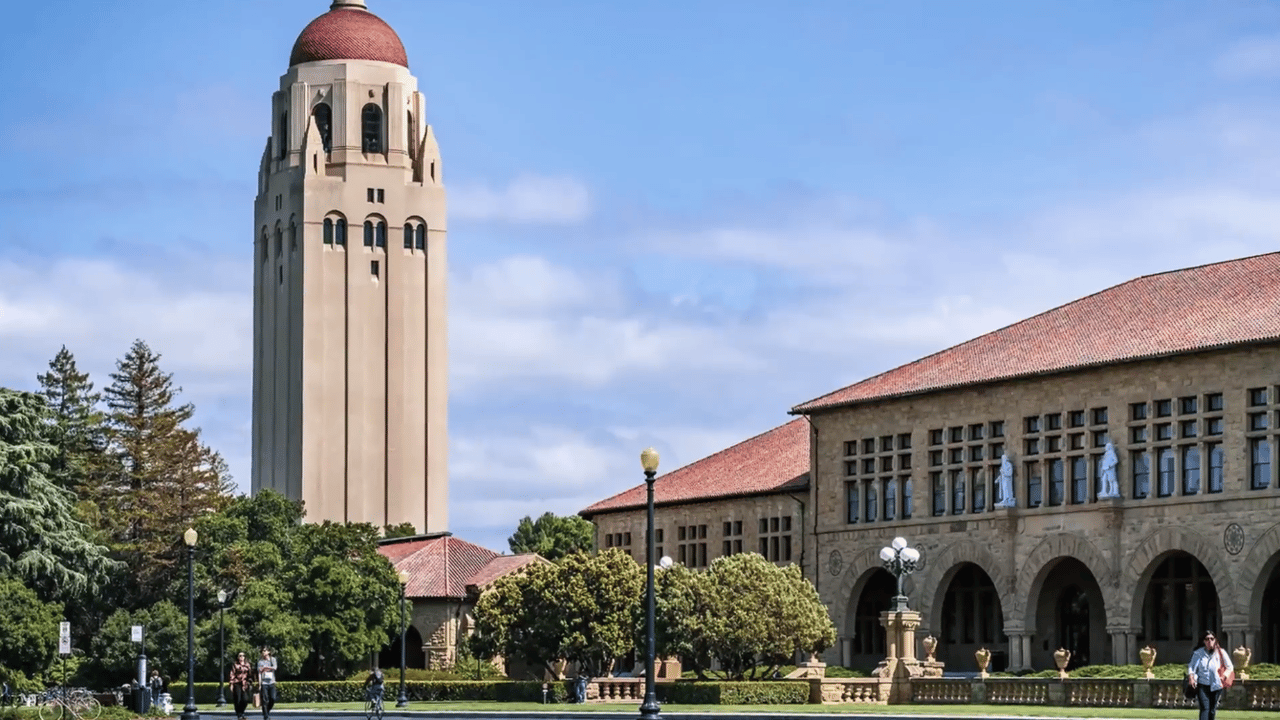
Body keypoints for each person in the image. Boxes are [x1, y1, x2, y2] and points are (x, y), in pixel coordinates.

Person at [1188, 630, 1234, 720]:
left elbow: (1230, 666)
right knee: (1205, 708)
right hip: (1202, 684)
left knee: (1212, 710)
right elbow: (1191, 667)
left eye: (1212, 639)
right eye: (1207, 639)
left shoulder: (1220, 652)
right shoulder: (1198, 653)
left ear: (1215, 640)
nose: (1209, 641)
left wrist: (1224, 676)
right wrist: (1191, 677)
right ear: (1204, 641)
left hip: (1216, 685)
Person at [228, 651, 254, 720]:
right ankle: (239, 715)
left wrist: (250, 682)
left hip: (245, 684)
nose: (241, 657)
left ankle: (242, 712)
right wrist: (231, 684)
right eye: (240, 656)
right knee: (238, 699)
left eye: (243, 655)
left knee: (245, 699)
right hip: (237, 683)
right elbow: (232, 674)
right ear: (237, 657)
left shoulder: (247, 665)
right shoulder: (235, 664)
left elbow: (250, 674)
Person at [256, 647, 278, 720]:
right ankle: (266, 716)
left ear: (268, 652)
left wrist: (266, 668)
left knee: (273, 698)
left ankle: (267, 711)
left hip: (272, 682)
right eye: (262, 651)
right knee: (265, 700)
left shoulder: (273, 659)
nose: (263, 652)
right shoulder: (260, 662)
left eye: (265, 651)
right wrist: (259, 683)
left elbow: (275, 668)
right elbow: (259, 673)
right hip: (264, 683)